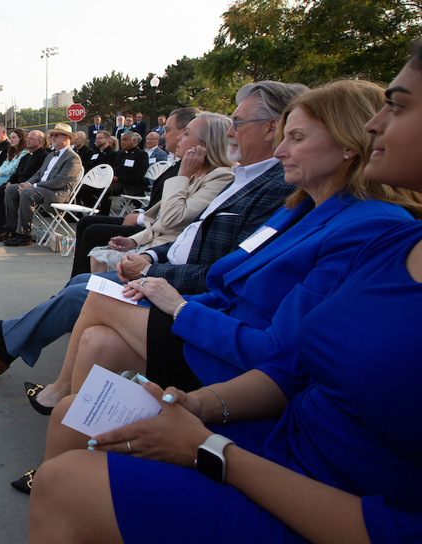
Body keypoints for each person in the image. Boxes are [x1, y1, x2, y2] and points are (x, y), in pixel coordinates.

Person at [29, 49, 422, 543]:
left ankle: (37, 379)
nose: (377, 124)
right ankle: (57, 399)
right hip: (275, 416)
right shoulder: (355, 228)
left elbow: (275, 343)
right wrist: (194, 409)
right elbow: (291, 360)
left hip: (314, 464)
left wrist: (209, 442)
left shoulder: (369, 226)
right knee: (89, 370)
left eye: (400, 106)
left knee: (96, 308)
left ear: (345, 147)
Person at [0, 82, 303, 380]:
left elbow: (196, 243)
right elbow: (184, 230)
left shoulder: (257, 184)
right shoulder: (244, 178)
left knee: (82, 278)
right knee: (79, 275)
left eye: (238, 122)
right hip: (161, 255)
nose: (230, 132)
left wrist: (148, 265)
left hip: (185, 292)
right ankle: (5, 344)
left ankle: (1, 339)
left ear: (271, 127)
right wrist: (143, 247)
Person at [87, 113, 234, 273]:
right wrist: (133, 241)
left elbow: (171, 219)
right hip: (150, 242)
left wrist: (183, 175)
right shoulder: (195, 173)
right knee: (94, 255)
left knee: (81, 279)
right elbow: (160, 219)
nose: (179, 138)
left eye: (186, 134)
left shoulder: (220, 177)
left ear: (206, 144)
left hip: (164, 256)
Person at [1, 123, 83, 247]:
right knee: (12, 189)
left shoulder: (73, 158)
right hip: (42, 189)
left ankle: (24, 234)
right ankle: (12, 229)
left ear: (67, 138)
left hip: (58, 193)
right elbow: (39, 174)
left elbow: (59, 182)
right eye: (52, 135)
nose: (53, 137)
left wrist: (33, 186)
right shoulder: (50, 155)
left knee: (27, 192)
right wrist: (27, 183)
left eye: (57, 135)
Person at [0, 130, 50, 235]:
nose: (27, 140)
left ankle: (15, 228)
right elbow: (17, 173)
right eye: (27, 138)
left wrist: (25, 184)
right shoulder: (27, 156)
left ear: (40, 142)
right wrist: (9, 182)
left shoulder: (44, 156)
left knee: (10, 191)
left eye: (31, 138)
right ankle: (1, 223)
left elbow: (38, 176)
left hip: (29, 186)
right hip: (18, 183)